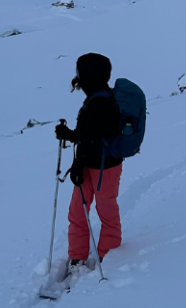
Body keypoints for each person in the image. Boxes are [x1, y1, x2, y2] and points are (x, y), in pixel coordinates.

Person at [55, 53, 123, 270]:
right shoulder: (97, 97)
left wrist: (77, 165)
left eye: (80, 73)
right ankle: (77, 255)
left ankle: (109, 255)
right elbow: (89, 135)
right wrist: (70, 135)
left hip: (105, 167)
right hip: (90, 165)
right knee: (78, 212)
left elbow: (94, 139)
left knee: (106, 211)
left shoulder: (100, 101)